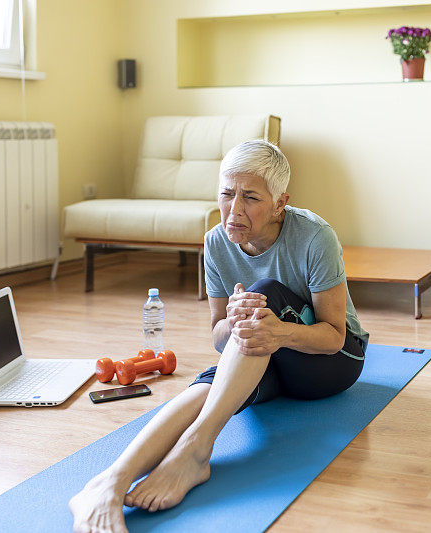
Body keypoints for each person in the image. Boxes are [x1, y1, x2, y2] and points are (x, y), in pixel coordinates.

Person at [69, 140, 369, 533]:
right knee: (214, 378)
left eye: (250, 197)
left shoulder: (315, 237)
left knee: (265, 294)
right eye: (227, 194)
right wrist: (232, 320)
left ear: (280, 202)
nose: (235, 208)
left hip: (333, 362)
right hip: (266, 355)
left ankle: (195, 450)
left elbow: (333, 336)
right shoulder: (215, 242)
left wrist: (277, 330)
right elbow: (219, 336)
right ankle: (108, 482)